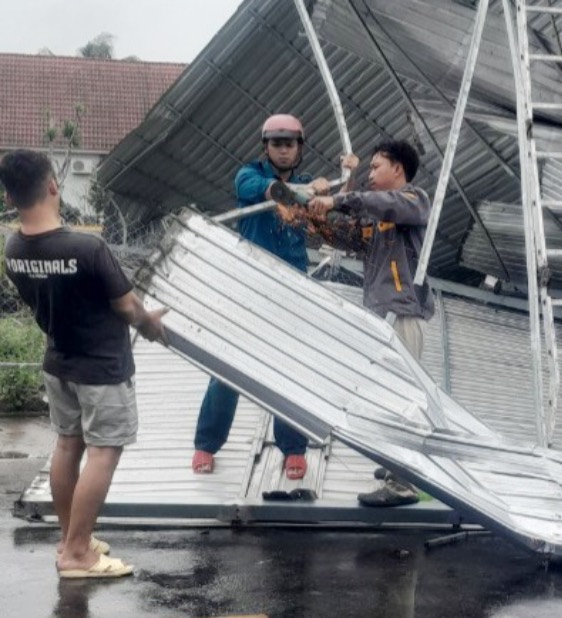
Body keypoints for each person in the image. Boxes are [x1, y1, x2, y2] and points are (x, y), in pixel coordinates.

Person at [0, 150, 167, 578]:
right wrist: (150, 324)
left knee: (67, 446)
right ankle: (77, 554)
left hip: (59, 363)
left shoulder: (13, 246)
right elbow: (128, 307)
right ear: (53, 185)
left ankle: (71, 537)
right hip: (103, 369)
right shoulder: (87, 247)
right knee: (103, 453)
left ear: (10, 195)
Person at [192, 113, 332, 480]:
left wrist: (321, 191)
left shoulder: (308, 184)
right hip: (249, 283)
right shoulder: (248, 176)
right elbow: (268, 191)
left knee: (290, 368)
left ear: (300, 148)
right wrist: (294, 192)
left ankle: (294, 449)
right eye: (276, 144)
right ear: (265, 148)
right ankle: (206, 444)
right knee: (229, 367)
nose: (283, 151)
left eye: (290, 144)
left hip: (292, 286)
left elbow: (325, 206)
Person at [308, 140, 434, 507]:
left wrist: (343, 198)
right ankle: (398, 465)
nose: (371, 174)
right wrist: (326, 202)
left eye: (376, 167)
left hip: (403, 313)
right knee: (385, 395)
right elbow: (349, 232)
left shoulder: (414, 201)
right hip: (385, 314)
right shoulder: (380, 218)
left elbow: (379, 204)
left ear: (398, 169)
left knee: (402, 398)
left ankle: (402, 484)